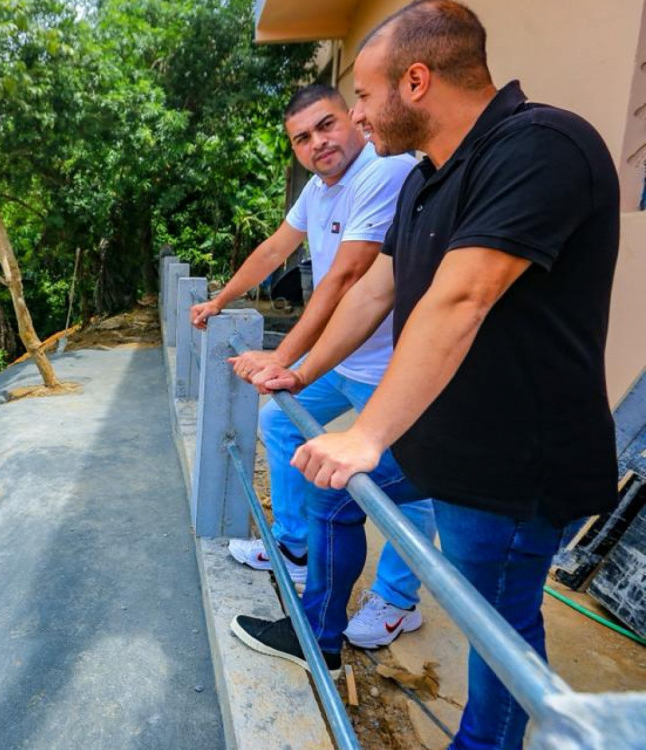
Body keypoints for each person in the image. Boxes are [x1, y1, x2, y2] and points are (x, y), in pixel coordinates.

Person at [233, 2, 620, 748]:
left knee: (497, 634)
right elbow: (375, 289)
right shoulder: (423, 179)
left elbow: (463, 295)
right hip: (445, 435)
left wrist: (369, 432)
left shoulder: (542, 145)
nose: (359, 117)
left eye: (367, 97)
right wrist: (300, 369)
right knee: (333, 492)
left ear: (416, 81)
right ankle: (320, 630)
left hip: (514, 463)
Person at [190, 83, 436, 648]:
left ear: (352, 118)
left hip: (396, 367)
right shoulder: (320, 190)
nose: (317, 144)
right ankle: (295, 544)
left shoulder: (383, 169)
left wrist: (284, 356)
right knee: (279, 423)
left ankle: (399, 602)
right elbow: (276, 249)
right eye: (302, 138)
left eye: (326, 126)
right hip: (347, 359)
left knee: (410, 489)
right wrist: (222, 299)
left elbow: (349, 278)